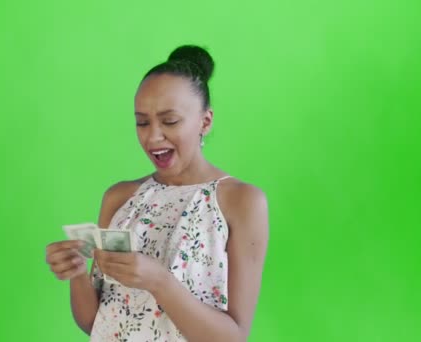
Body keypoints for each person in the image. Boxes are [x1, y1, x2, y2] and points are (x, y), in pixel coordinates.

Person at [45, 45, 269, 342]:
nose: (152, 137)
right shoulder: (119, 198)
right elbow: (96, 323)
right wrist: (75, 273)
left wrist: (159, 282)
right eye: (142, 122)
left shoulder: (241, 201)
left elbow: (234, 338)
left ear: (205, 121)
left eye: (170, 121)